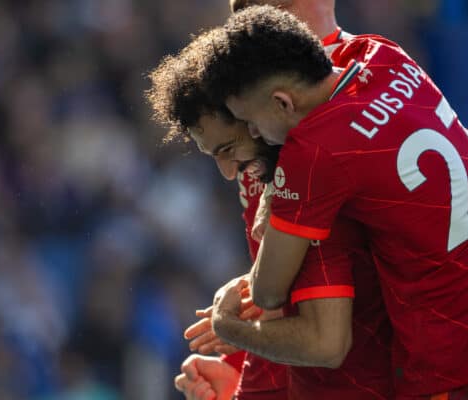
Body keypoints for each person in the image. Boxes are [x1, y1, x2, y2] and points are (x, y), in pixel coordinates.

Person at [181, 6, 468, 400]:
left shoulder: (312, 151)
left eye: (249, 125)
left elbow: (274, 297)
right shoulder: (384, 56)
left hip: (454, 374)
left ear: (282, 103)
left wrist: (230, 322)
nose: (254, 135)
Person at [148, 24, 394, 400]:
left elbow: (325, 342)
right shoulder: (265, 173)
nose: (229, 172)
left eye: (228, 148)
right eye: (213, 154)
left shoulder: (305, 181)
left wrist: (230, 326)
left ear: (251, 112)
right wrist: (241, 375)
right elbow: (288, 311)